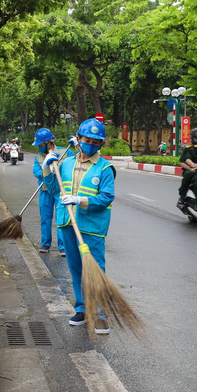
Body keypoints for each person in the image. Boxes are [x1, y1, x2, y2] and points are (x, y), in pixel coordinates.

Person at [42, 118, 116, 335]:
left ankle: (100, 314)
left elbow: (107, 197)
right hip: (67, 223)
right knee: (75, 268)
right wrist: (47, 169)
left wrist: (80, 200)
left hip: (92, 227)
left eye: (95, 141)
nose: (90, 143)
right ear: (79, 138)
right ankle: (82, 309)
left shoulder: (105, 168)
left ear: (100, 144)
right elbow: (55, 189)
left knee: (95, 270)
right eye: (86, 139)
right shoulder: (66, 164)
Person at [32, 128, 76, 256]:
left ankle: (63, 246)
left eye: (40, 145)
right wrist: (46, 169)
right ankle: (45, 243)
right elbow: (36, 172)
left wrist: (78, 146)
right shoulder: (39, 157)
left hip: (60, 191)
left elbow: (76, 161)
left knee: (61, 218)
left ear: (48, 142)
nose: (39, 148)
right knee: (45, 218)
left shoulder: (65, 152)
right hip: (45, 191)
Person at [177, 128, 197, 208]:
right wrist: (190, 167)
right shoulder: (189, 148)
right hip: (192, 170)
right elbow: (182, 162)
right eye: (196, 138)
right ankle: (183, 195)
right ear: (192, 138)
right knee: (190, 176)